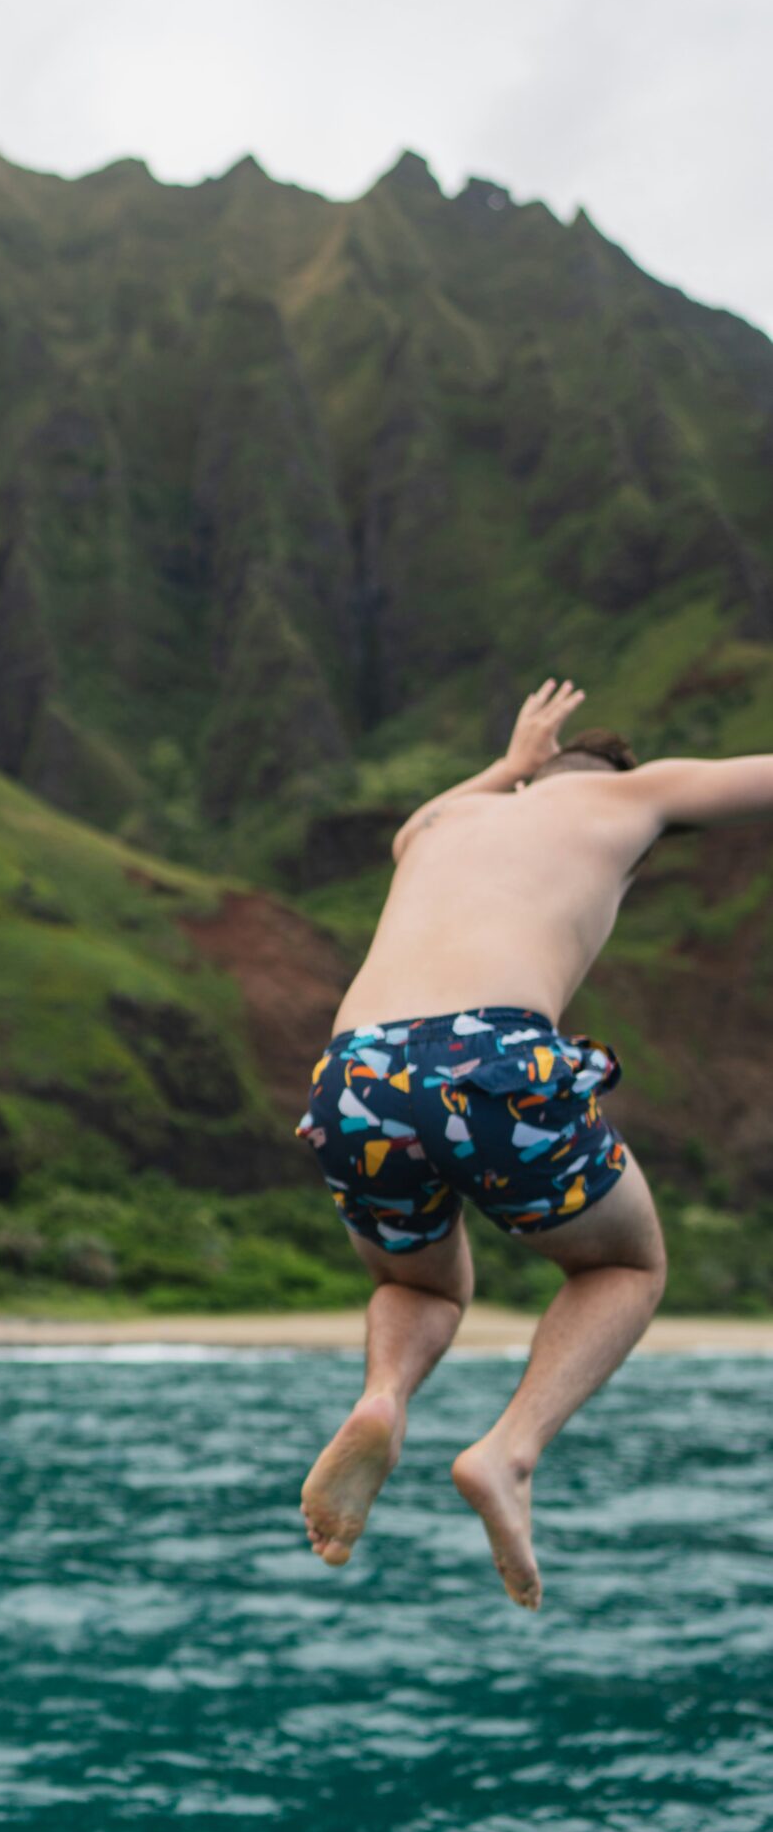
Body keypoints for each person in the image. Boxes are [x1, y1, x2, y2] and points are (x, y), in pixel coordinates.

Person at [295, 677, 773, 1610]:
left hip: (352, 1072)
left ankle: (385, 1398)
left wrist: (511, 765)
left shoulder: (441, 829)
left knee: (416, 1280)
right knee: (626, 1270)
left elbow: (418, 822)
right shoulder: (634, 796)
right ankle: (508, 1452)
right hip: (492, 1052)